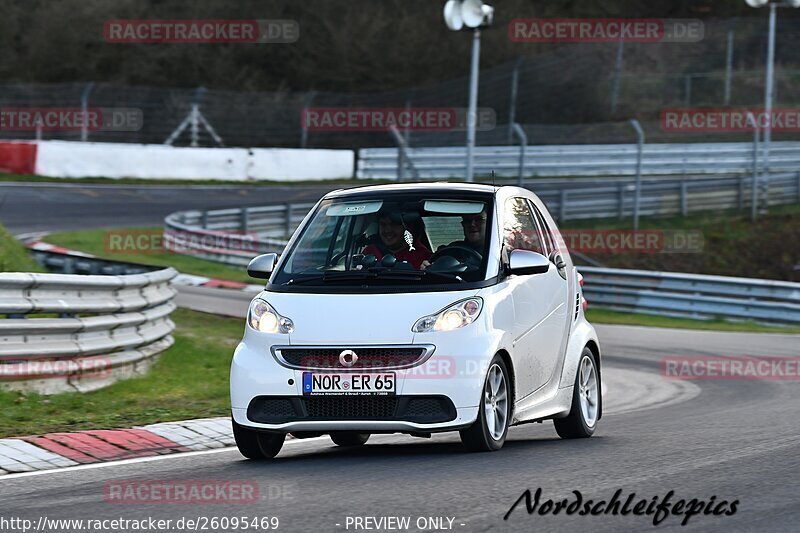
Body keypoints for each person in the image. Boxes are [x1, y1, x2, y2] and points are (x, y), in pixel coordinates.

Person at [361, 212, 431, 269]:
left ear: (407, 228)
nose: (387, 230)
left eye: (394, 224)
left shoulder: (423, 256)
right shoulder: (369, 252)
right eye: (383, 224)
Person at [420, 212, 487, 270]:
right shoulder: (451, 250)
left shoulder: (495, 253)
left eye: (479, 219)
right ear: (463, 225)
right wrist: (426, 267)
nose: (472, 224)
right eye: (467, 221)